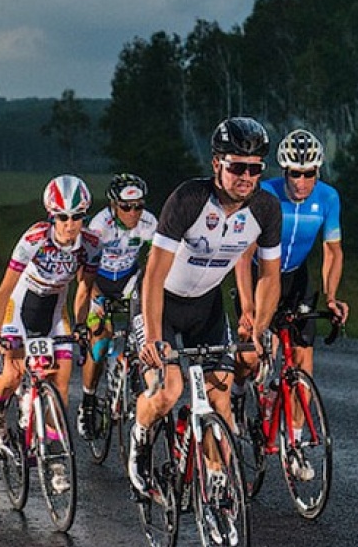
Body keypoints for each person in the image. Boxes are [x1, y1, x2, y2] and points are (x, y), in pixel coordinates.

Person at [127, 117, 283, 498]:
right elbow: (154, 275)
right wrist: (152, 337)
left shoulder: (265, 208)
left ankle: (216, 480)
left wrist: (258, 331)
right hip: (159, 304)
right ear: (217, 164)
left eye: (255, 168)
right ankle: (140, 437)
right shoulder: (189, 199)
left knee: (220, 399)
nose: (247, 176)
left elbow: (270, 277)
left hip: (207, 307)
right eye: (237, 167)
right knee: (168, 391)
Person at [231, 129, 349, 479]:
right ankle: (238, 392)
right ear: (283, 172)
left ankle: (294, 443)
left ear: (317, 172)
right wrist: (250, 309)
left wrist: (330, 295)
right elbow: (244, 253)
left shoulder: (328, 198)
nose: (301, 181)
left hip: (296, 278)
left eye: (308, 173)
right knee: (250, 355)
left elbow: (332, 251)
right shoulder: (264, 193)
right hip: (258, 276)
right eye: (294, 173)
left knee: (302, 364)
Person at [0, 175, 100, 466]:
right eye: (62, 217)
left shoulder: (90, 244)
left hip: (55, 307)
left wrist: (81, 326)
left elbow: (84, 289)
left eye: (77, 217)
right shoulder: (34, 238)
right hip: (21, 303)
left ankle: (54, 455)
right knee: (12, 373)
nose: (69, 225)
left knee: (60, 385)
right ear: (52, 216)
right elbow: (5, 289)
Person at [73, 173, 158, 440]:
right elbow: (83, 272)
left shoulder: (148, 223)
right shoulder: (100, 227)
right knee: (99, 341)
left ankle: (135, 375)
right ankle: (87, 403)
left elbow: (157, 260)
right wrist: (96, 298)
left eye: (138, 206)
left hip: (128, 282)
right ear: (113, 205)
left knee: (143, 332)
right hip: (98, 282)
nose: (133, 213)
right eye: (126, 207)